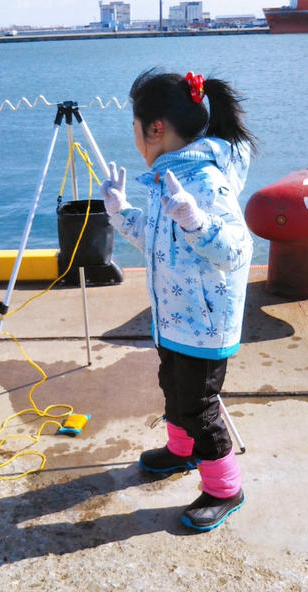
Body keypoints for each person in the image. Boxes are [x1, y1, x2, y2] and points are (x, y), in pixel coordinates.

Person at [100, 69, 257, 531]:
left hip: (205, 324)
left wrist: (195, 220)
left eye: (135, 126)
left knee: (199, 406)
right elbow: (154, 239)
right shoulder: (168, 175)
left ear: (156, 127)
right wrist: (120, 212)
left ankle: (225, 489)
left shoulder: (204, 181)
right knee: (173, 388)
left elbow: (235, 250)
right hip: (173, 318)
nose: (134, 137)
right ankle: (180, 451)